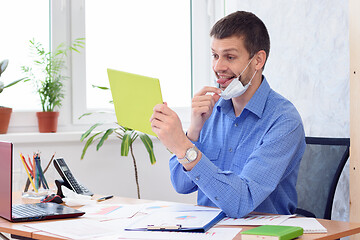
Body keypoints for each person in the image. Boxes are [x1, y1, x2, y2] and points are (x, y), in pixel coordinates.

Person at [150, 11, 305, 218]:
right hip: (208, 230)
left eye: (229, 57)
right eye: (215, 55)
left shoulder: (284, 120)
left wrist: (181, 144)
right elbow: (181, 185)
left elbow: (241, 202)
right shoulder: (210, 111)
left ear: (258, 60)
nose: (217, 67)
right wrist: (194, 131)